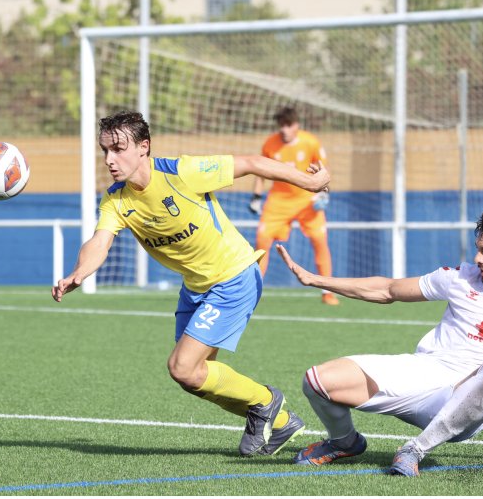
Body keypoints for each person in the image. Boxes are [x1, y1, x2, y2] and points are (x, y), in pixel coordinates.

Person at [53, 111, 330, 456]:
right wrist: (79, 272)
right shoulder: (117, 199)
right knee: (193, 376)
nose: (110, 159)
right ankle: (282, 419)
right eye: (105, 150)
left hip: (233, 276)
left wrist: (310, 183)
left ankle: (266, 402)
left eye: (118, 149)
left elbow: (253, 162)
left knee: (182, 366)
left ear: (144, 147)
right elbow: (100, 240)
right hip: (196, 288)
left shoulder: (182, 172)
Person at [275, 208, 483, 476]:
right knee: (317, 380)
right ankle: (344, 442)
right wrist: (317, 280)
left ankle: (415, 449)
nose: (478, 258)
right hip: (422, 373)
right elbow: (389, 289)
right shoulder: (460, 278)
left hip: (468, 404)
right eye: (478, 249)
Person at [249, 106, 338, 306]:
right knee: (262, 240)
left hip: (307, 199)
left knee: (319, 239)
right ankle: (251, 292)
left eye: (288, 125)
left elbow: (324, 170)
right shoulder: (270, 144)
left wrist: (324, 193)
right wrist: (256, 196)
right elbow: (260, 171)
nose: (284, 129)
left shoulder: (310, 142)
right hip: (278, 200)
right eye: (281, 125)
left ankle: (327, 293)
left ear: (296, 125)